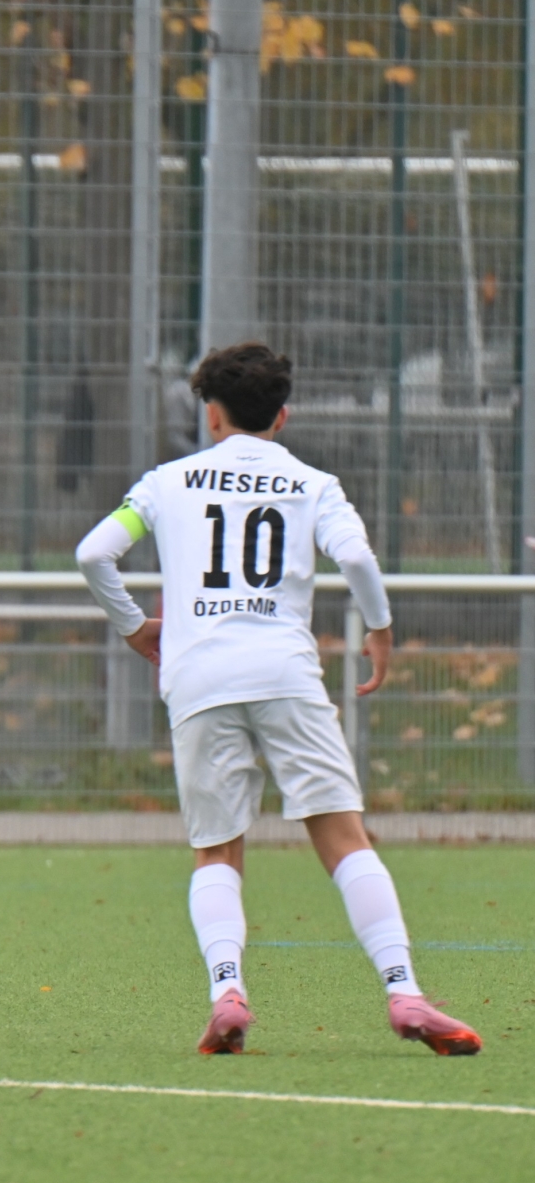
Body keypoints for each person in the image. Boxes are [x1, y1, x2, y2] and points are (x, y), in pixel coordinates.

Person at [76, 342, 481, 1057]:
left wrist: (135, 626)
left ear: (211, 415)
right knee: (343, 837)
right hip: (285, 674)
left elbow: (93, 553)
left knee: (216, 850)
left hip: (199, 679)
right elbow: (354, 558)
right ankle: (404, 991)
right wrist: (379, 627)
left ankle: (228, 991)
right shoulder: (313, 484)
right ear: (282, 416)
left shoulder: (165, 483)